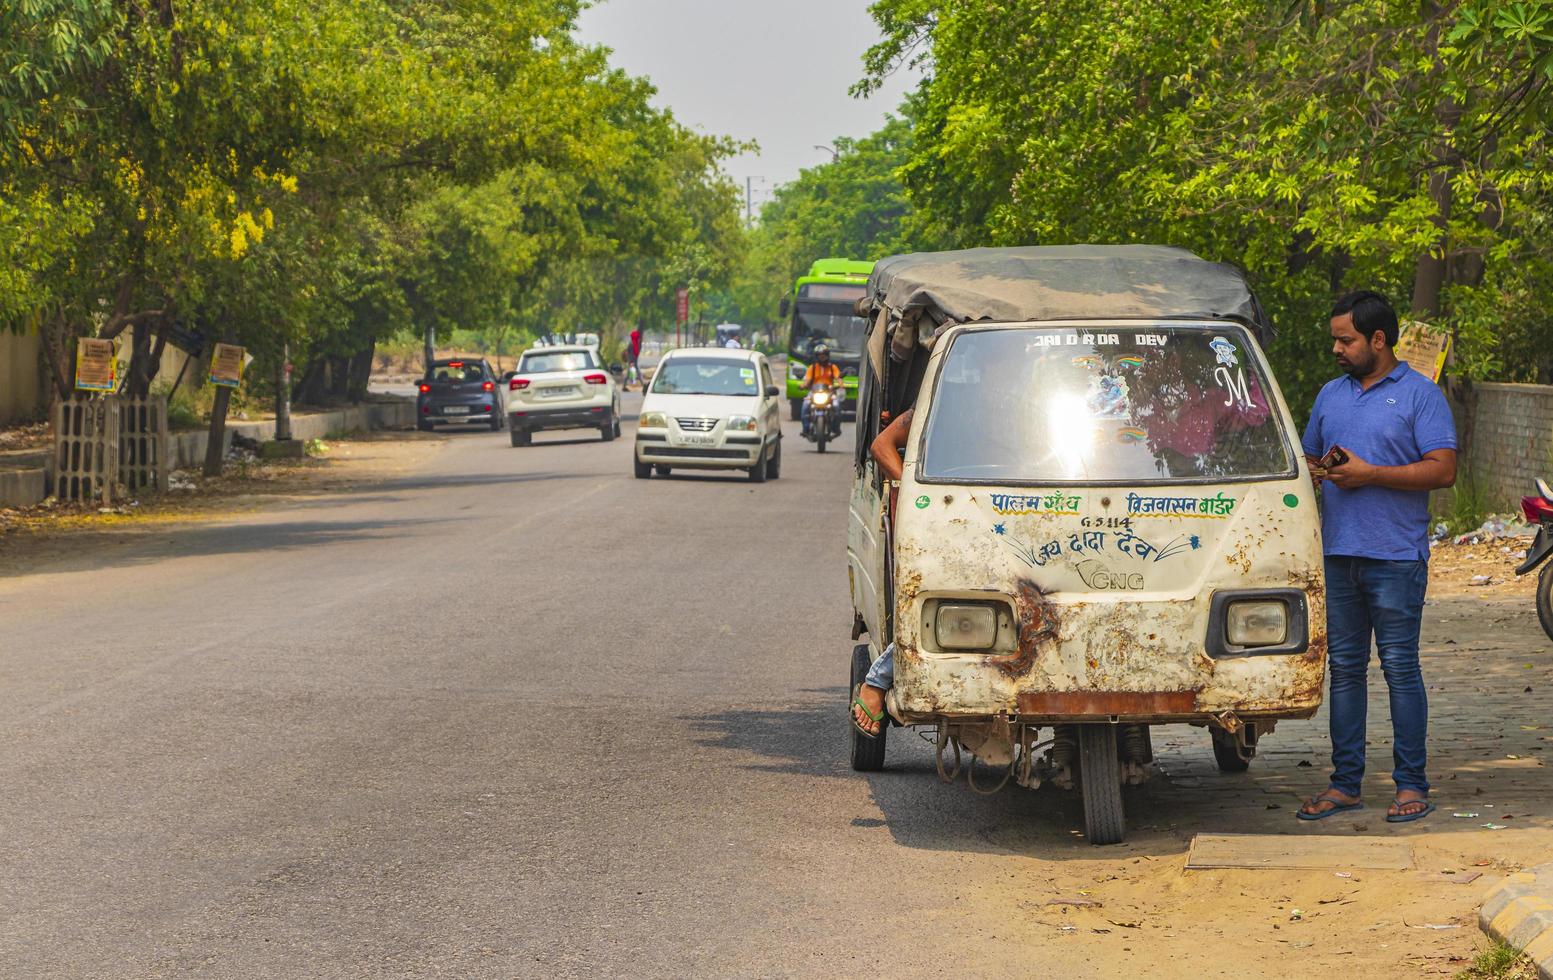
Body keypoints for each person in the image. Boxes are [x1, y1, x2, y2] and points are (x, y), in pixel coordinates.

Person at [1296, 290, 1457, 824]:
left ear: (1379, 339)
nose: (1337, 349)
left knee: (1400, 669)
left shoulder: (1420, 396)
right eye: (1334, 340)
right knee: (1344, 671)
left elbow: (1442, 469)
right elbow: (1311, 458)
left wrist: (1371, 475)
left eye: (1347, 339)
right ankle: (1346, 785)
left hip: (1395, 557)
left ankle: (1411, 785)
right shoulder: (1330, 395)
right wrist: (1320, 469)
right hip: (1337, 556)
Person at [851, 408, 913, 737]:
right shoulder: (943, 398)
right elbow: (882, 445)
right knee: (924, 610)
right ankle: (876, 682)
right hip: (950, 515)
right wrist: (913, 493)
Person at [800, 344, 843, 436]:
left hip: (830, 393)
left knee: (837, 406)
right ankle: (806, 428)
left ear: (827, 355)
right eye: (820, 355)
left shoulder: (832, 367)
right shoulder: (812, 367)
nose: (822, 357)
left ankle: (835, 428)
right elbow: (807, 380)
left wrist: (841, 385)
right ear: (816, 356)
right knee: (805, 406)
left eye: (823, 355)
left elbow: (838, 378)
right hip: (814, 392)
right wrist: (803, 385)